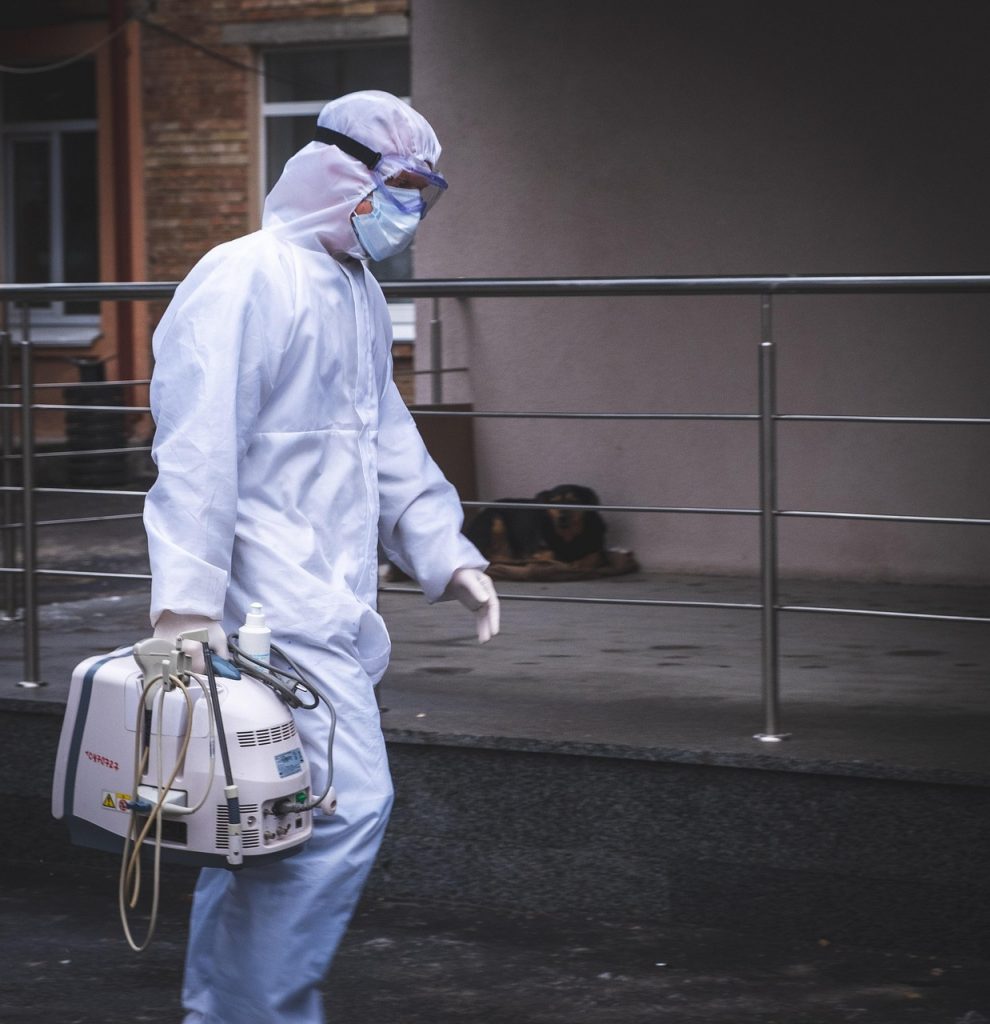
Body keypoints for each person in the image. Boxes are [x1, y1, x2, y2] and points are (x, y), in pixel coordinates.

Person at [143, 90, 499, 1024]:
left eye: (425, 191)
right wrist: (185, 608)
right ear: (341, 171)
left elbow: (386, 439)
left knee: (263, 821)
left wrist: (444, 550)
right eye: (403, 184)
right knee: (343, 807)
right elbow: (197, 451)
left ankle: (227, 1010)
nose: (411, 209)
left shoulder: (356, 290)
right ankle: (257, 1011)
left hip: (326, 599)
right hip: (265, 604)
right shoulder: (242, 277)